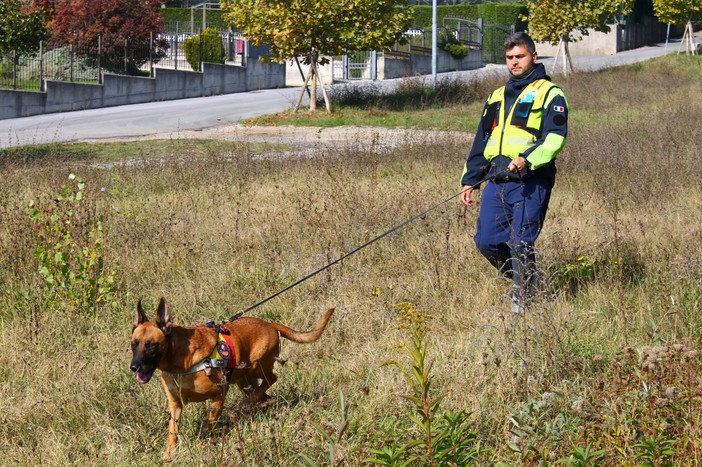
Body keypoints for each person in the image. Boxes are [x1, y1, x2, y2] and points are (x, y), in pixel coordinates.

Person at [459, 32, 568, 313]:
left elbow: (555, 138)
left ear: (533, 56)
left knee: (521, 243)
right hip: (497, 180)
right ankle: (530, 281)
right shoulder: (496, 96)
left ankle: (525, 297)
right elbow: (481, 140)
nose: (514, 63)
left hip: (532, 180)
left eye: (520, 56)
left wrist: (528, 160)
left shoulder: (550, 93)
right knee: (486, 242)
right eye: (509, 58)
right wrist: (470, 180)